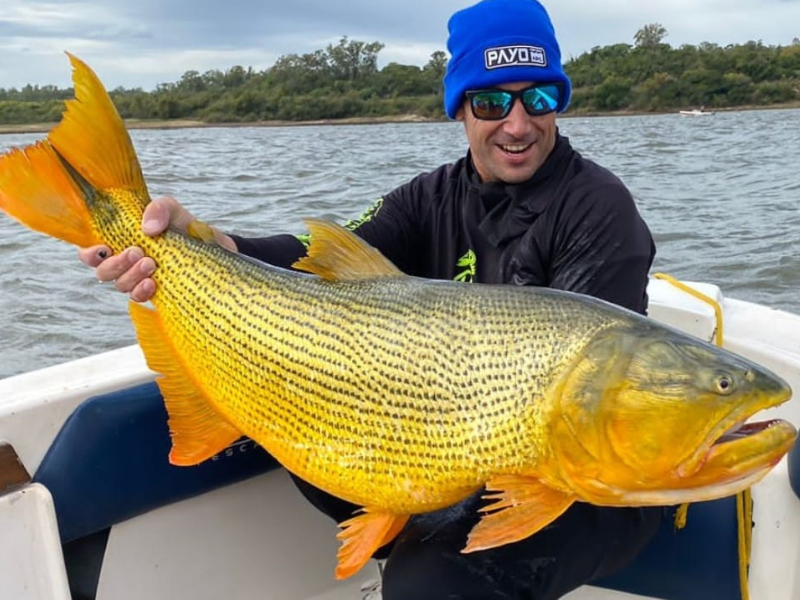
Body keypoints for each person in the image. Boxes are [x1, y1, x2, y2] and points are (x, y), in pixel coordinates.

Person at [80, 0, 662, 597]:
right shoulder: (428, 196)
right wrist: (202, 242)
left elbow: (582, 417)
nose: (517, 124)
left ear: (558, 103)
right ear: (460, 107)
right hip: (452, 440)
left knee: (427, 584)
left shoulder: (598, 208)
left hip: (590, 476)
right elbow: (313, 257)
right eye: (491, 102)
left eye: (538, 98)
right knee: (290, 412)